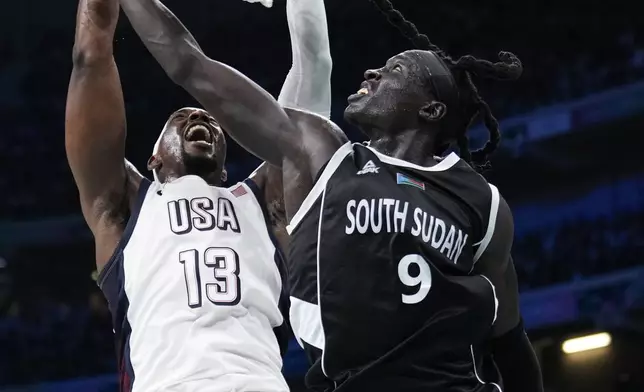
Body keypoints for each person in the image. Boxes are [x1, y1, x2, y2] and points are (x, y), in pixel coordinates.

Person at [120, 1, 543, 392]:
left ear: (430, 110)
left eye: (394, 70)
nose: (372, 74)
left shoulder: (483, 202)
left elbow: (509, 338)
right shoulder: (321, 156)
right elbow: (189, 64)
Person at [64, 0, 333, 390]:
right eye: (181, 119)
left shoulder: (264, 204)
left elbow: (315, 65)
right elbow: (90, 55)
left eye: (208, 117)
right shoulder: (125, 206)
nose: (200, 117)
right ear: (154, 159)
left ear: (225, 166)